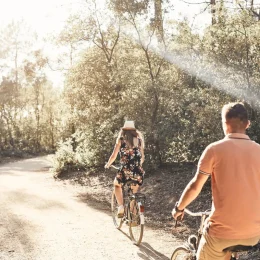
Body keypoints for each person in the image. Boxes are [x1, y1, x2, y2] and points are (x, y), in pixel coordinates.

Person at [172, 102, 260, 260]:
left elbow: (195, 186)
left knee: (213, 245)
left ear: (224, 124)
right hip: (253, 234)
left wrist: (179, 208)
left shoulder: (214, 150)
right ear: (247, 124)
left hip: (220, 234)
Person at [105, 120, 145, 217]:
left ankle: (121, 207)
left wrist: (108, 164)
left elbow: (114, 155)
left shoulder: (121, 140)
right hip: (137, 172)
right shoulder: (139, 140)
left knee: (117, 185)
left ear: (124, 130)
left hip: (125, 171)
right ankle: (133, 216)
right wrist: (137, 166)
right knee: (134, 193)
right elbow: (142, 157)